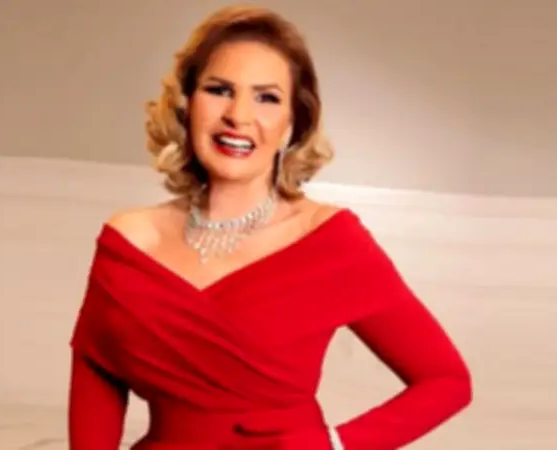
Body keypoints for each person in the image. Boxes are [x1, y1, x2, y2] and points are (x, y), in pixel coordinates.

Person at [68, 4, 472, 449]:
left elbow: (447, 380)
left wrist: (333, 445)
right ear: (187, 105)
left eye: (267, 98)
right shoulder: (130, 241)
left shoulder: (329, 241)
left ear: (292, 124)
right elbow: (97, 373)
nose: (239, 115)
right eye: (219, 90)